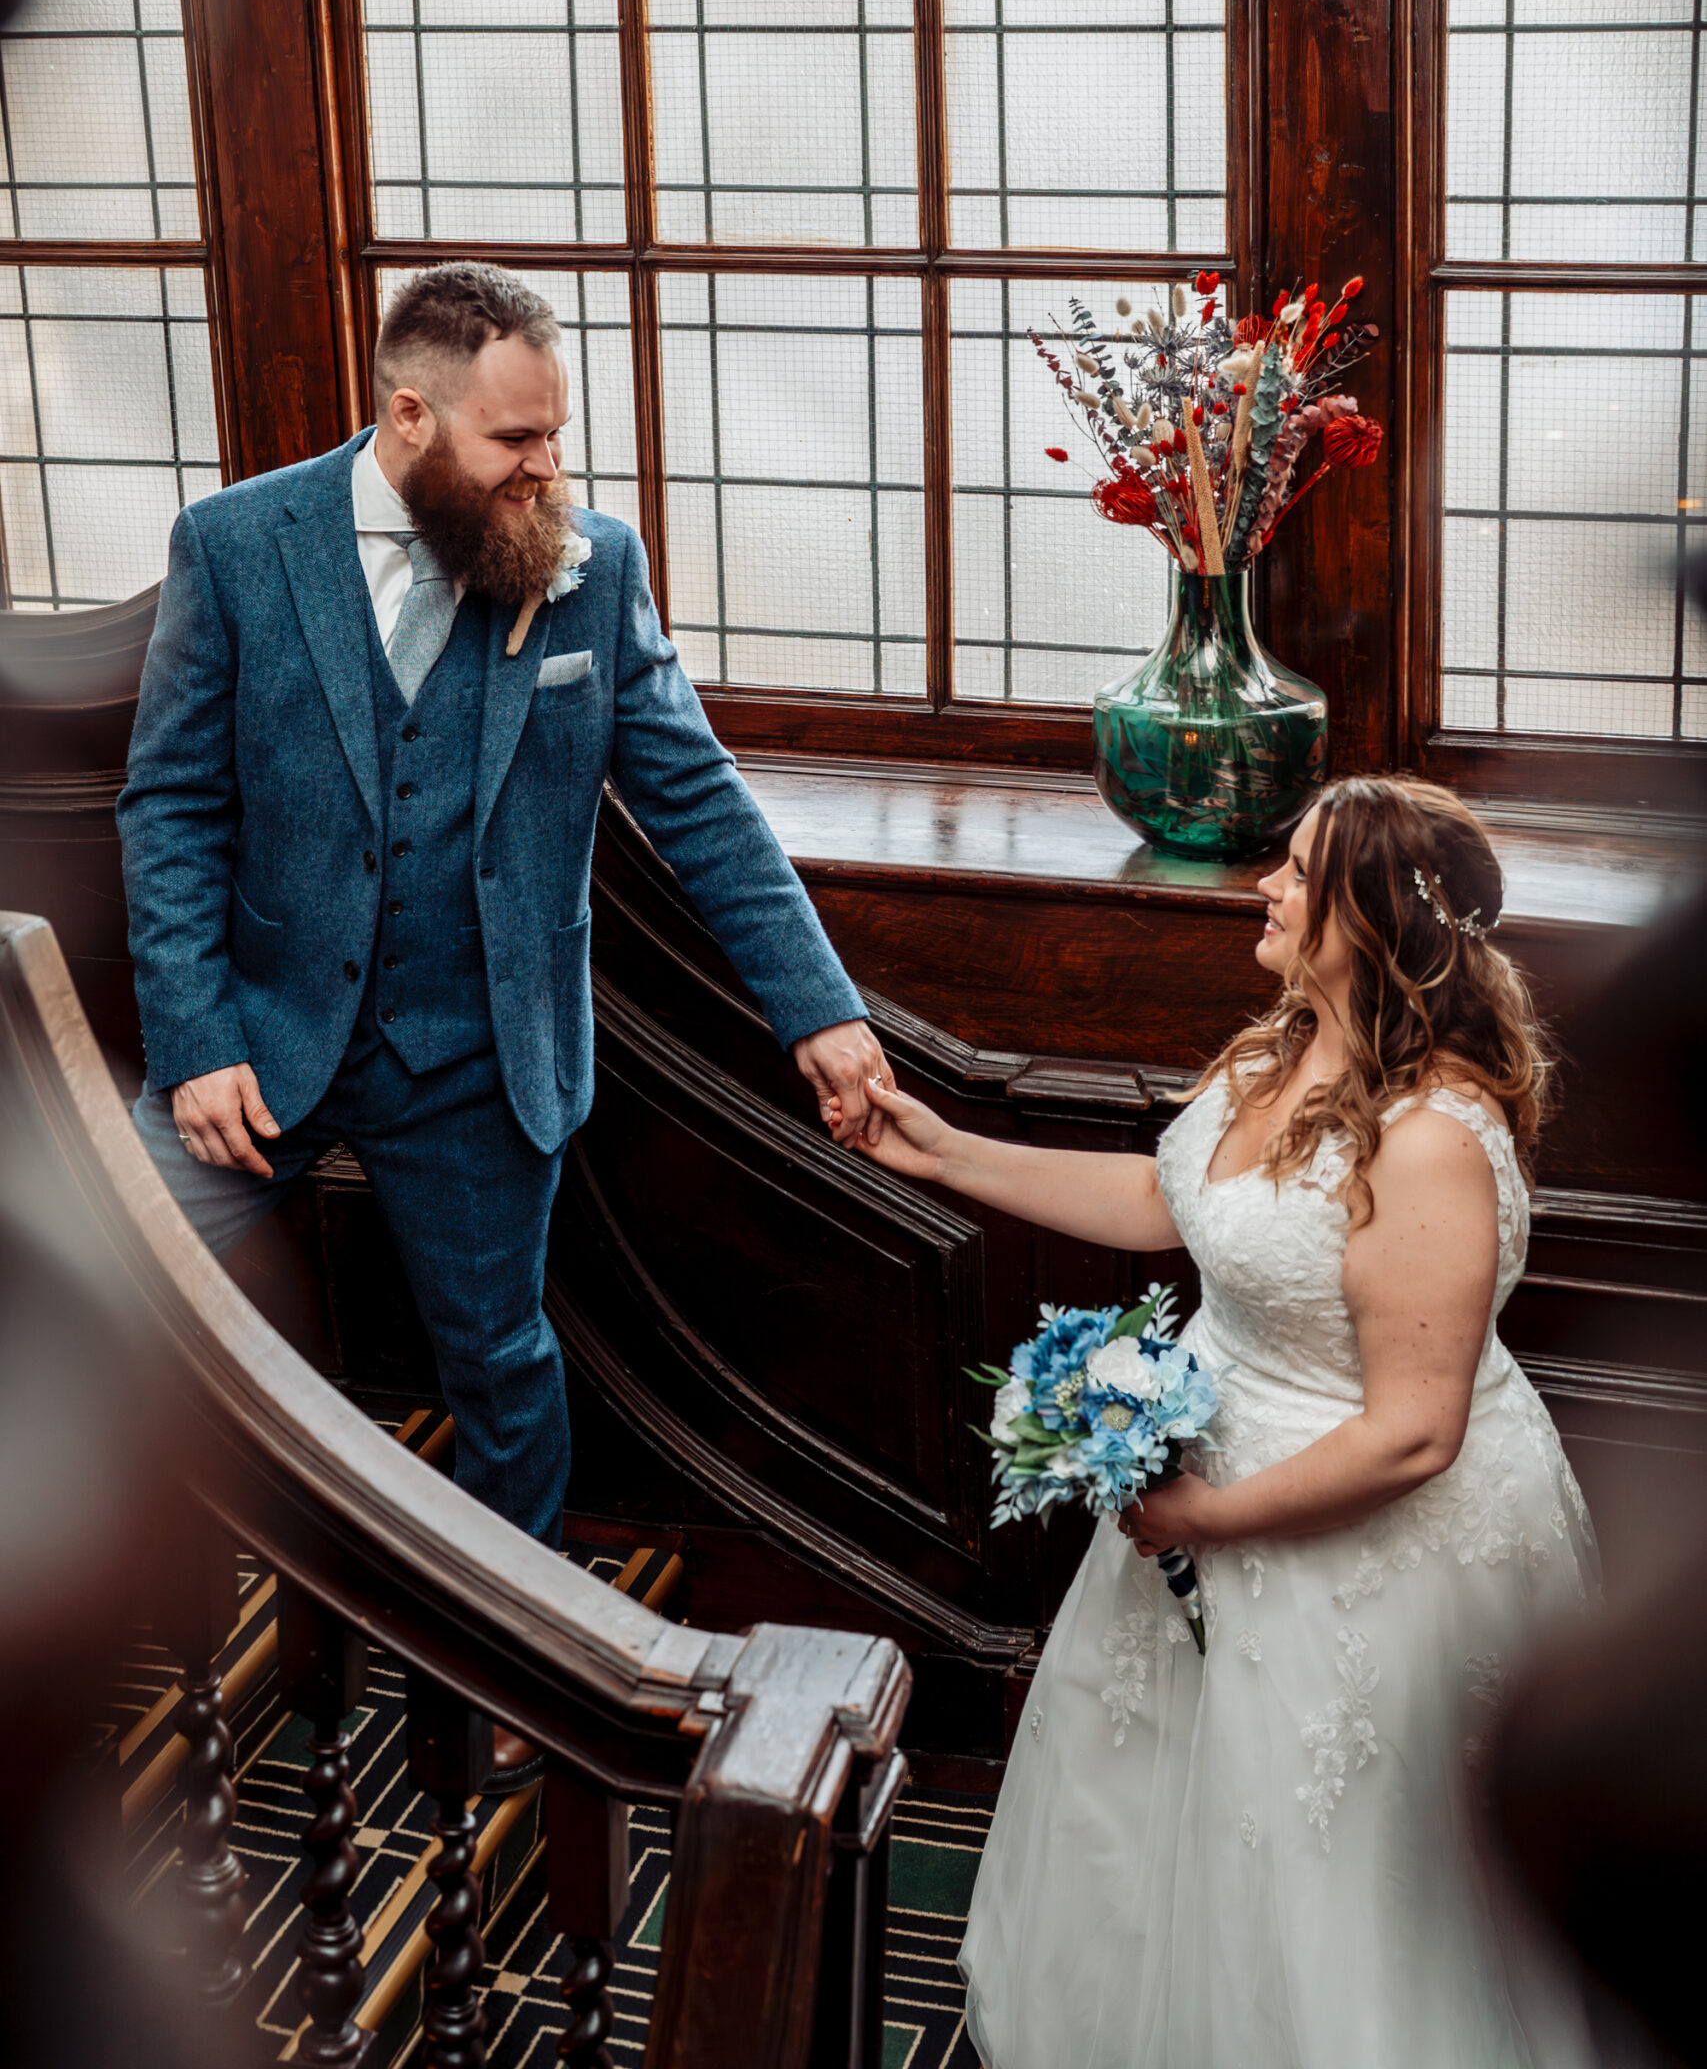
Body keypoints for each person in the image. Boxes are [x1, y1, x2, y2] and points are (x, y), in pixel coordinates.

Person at [118, 261, 890, 1775]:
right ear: (410, 415)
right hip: (260, 1029)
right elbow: (169, 806)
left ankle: (501, 1678)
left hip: (478, 1053)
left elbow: (699, 802)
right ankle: (181, 1621)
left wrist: (822, 1013)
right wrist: (197, 1033)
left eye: (557, 436)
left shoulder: (589, 562)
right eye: (514, 441)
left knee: (504, 1368)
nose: (550, 469)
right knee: (130, 1301)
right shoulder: (237, 545)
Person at [851, 776, 1599, 2069]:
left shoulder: (1434, 1140)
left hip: (1360, 1551)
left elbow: (1416, 1434)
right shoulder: (1283, 1043)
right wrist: (942, 1152)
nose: (1269, 884)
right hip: (1210, 1487)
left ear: (1373, 919)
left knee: (1342, 1902)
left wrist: (1206, 1516)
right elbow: (1169, 1198)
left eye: (1300, 873)